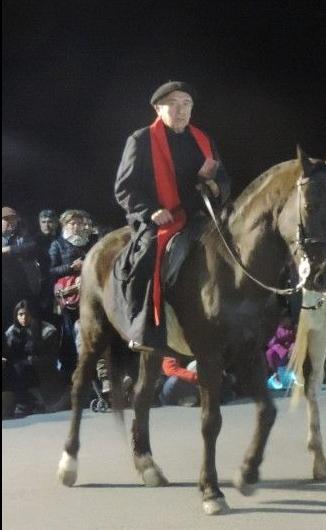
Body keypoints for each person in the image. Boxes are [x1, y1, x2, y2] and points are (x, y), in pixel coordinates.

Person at [113, 81, 230, 352]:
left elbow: (223, 178)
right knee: (146, 257)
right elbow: (124, 188)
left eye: (187, 104)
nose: (181, 110)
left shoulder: (203, 139)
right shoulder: (140, 140)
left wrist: (217, 186)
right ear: (158, 108)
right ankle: (141, 329)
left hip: (199, 214)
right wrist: (150, 210)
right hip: (160, 218)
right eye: (174, 104)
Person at [49, 209, 94, 381]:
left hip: (89, 290)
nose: (76, 226)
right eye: (72, 223)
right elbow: (51, 270)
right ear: (65, 225)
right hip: (69, 296)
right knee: (69, 332)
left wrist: (86, 263)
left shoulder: (89, 242)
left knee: (90, 329)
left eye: (78, 223)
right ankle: (71, 372)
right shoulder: (57, 244)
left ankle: (93, 371)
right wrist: (70, 267)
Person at [3, 300, 59, 417]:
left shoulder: (47, 330)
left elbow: (52, 357)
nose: (24, 318)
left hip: (42, 368)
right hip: (19, 369)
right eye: (20, 314)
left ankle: (27, 403)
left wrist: (32, 361)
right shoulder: (11, 332)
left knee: (19, 368)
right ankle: (25, 402)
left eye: (27, 314)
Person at [2, 207, 40, 329]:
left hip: (22, 285)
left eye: (13, 219)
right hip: (4, 286)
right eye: (6, 219)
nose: (11, 222)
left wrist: (10, 250)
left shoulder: (22, 235)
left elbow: (32, 247)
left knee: (23, 318)